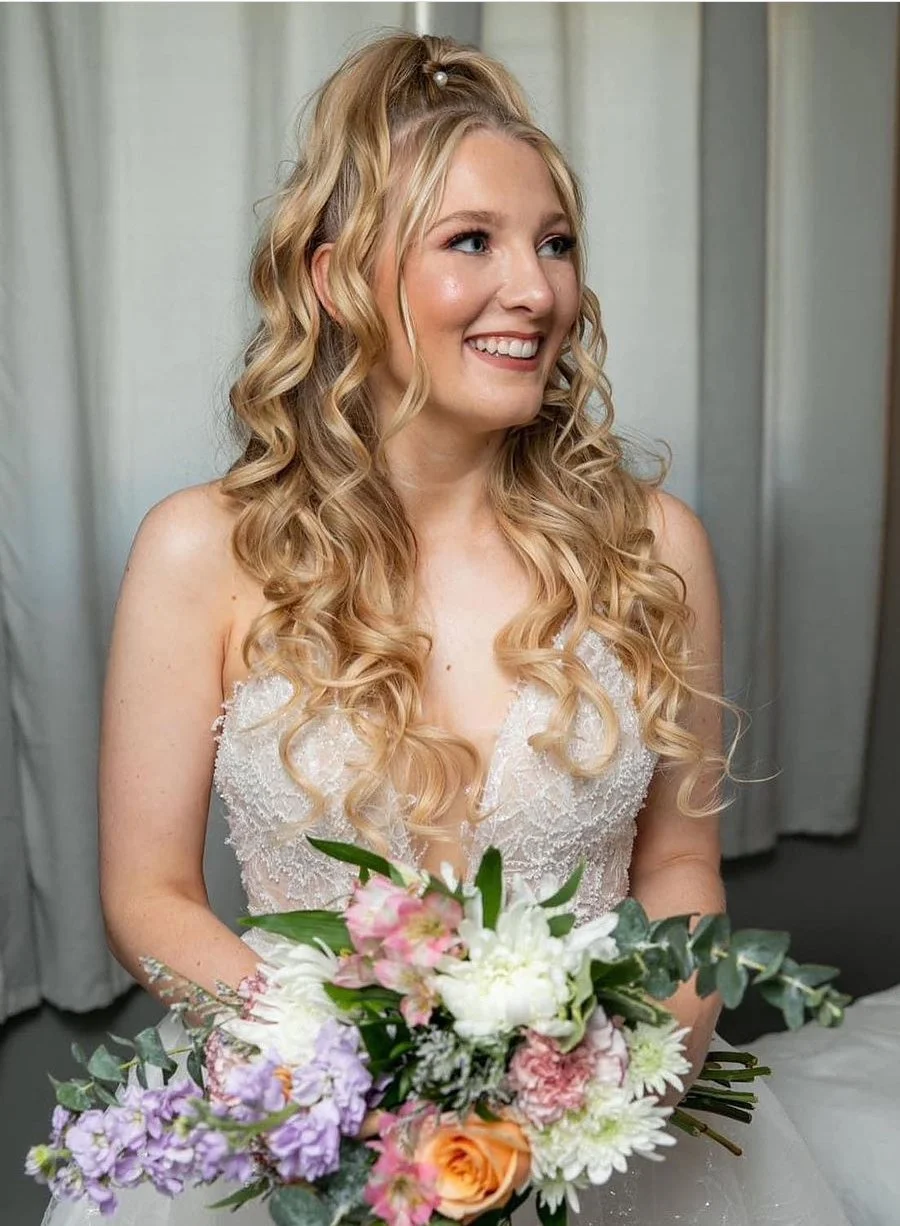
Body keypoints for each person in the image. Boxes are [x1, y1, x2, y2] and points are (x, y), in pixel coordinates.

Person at [42, 31, 850, 1226]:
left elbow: (679, 867)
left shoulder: (655, 549)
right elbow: (149, 892)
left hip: (604, 1152)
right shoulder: (200, 550)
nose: (536, 290)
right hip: (299, 1121)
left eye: (555, 242)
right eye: (472, 241)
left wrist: (616, 1082)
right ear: (334, 280)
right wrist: (355, 1084)